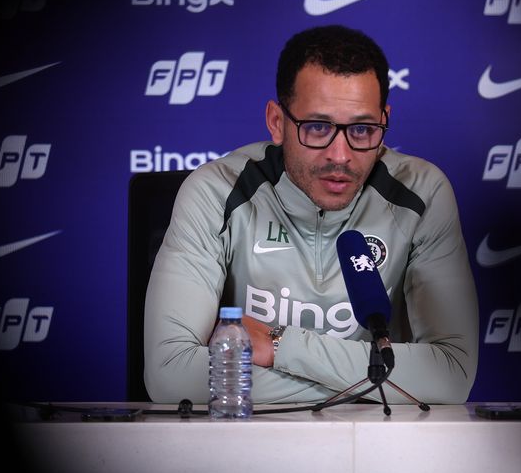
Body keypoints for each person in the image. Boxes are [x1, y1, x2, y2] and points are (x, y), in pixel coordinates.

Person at [144, 24, 478, 405]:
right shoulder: (214, 192)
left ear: (384, 122)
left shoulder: (423, 195)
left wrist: (281, 345)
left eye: (362, 129)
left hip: (375, 441)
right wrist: (373, 383)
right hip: (248, 438)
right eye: (318, 127)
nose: (340, 155)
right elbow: (170, 374)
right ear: (277, 122)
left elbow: (451, 375)